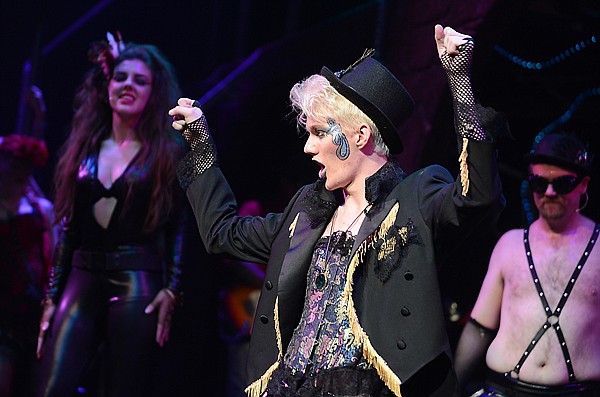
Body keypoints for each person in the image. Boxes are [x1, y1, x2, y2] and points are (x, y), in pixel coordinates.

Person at [170, 24, 505, 397]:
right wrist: (200, 144)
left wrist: (459, 80)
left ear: (359, 136)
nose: (308, 148)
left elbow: (478, 199)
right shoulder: (310, 212)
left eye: (319, 133)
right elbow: (223, 234)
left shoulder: (415, 198)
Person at [36, 33, 186, 397]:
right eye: (121, 77)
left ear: (154, 91)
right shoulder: (85, 146)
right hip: (82, 277)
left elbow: (177, 226)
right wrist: (52, 297)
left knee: (122, 388)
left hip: (136, 280)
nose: (128, 85)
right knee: (50, 387)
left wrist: (172, 288)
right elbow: (69, 227)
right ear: (108, 85)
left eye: (140, 80)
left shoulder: (167, 153)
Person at [453, 131, 600, 396]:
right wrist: (451, 390)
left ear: (584, 184)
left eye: (563, 183)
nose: (550, 192)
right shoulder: (511, 245)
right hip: (503, 388)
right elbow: (479, 328)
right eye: (539, 183)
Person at [0, 134, 55, 397]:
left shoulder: (40, 210)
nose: (20, 171)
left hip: (33, 315)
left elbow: (53, 257)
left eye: (26, 166)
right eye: (14, 164)